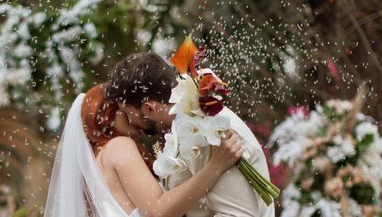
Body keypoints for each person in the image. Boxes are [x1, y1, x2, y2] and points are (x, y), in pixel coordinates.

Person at [44, 54, 244, 217]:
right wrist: (216, 166)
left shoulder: (99, 160)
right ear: (106, 117)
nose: (130, 116)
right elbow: (157, 210)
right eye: (122, 110)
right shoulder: (118, 146)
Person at [106, 53, 275, 217]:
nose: (130, 123)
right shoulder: (181, 128)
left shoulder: (211, 132)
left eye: (129, 114)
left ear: (150, 108)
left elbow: (239, 214)